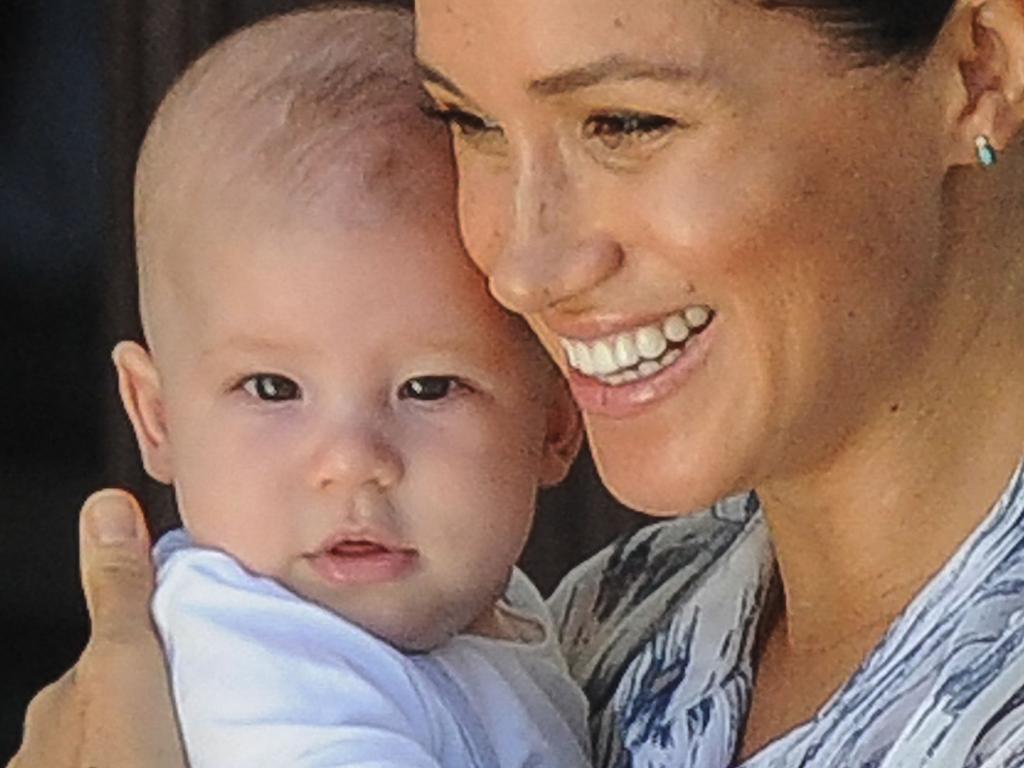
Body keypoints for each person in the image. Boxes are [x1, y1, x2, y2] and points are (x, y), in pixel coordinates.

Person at [10, 0, 1024, 766]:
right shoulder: (612, 618)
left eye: (625, 123)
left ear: (978, 68)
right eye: (471, 124)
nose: (520, 267)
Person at [48, 6, 591, 768]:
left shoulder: (501, 612)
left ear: (557, 420)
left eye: (429, 387)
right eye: (272, 388)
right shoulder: (255, 657)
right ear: (158, 417)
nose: (353, 459)